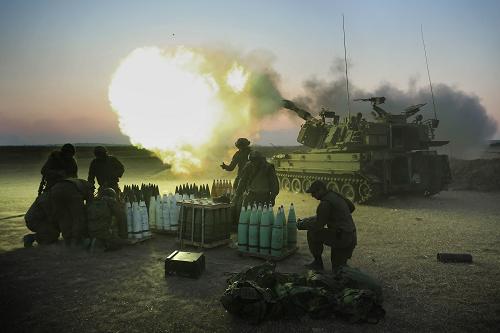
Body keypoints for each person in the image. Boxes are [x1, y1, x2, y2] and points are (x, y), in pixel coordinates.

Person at [297, 180, 357, 272]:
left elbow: (318, 225)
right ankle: (342, 267)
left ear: (320, 190)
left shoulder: (325, 203)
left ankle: (318, 263)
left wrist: (303, 224)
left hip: (342, 238)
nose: (312, 195)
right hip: (351, 235)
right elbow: (351, 208)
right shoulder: (335, 196)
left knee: (313, 233)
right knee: (339, 267)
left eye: (313, 192)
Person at [50, 178, 93, 248]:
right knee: (78, 217)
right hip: (71, 190)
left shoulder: (81, 183)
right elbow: (90, 204)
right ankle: (75, 241)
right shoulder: (89, 187)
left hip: (55, 189)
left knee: (62, 217)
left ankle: (67, 240)